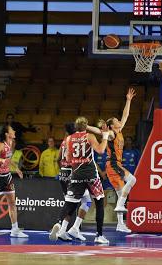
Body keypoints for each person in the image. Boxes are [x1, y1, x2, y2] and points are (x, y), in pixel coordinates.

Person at [49, 117, 110, 244]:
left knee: (70, 203)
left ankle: (59, 224)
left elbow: (68, 158)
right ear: (86, 126)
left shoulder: (69, 139)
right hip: (91, 173)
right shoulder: (89, 136)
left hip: (76, 173)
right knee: (99, 202)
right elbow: (100, 150)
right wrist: (104, 136)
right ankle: (99, 235)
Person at [87, 88, 137, 233]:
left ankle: (120, 224)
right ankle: (120, 205)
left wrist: (128, 100)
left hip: (115, 165)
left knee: (122, 193)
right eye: (116, 121)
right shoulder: (110, 133)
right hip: (113, 165)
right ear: (111, 125)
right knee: (132, 180)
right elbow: (98, 131)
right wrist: (86, 127)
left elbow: (125, 115)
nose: (119, 121)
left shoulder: (119, 131)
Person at [54, 122, 91, 241]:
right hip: (73, 172)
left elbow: (58, 159)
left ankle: (63, 230)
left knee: (70, 203)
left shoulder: (65, 141)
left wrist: (61, 171)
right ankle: (73, 228)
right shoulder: (75, 140)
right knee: (87, 202)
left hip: (62, 174)